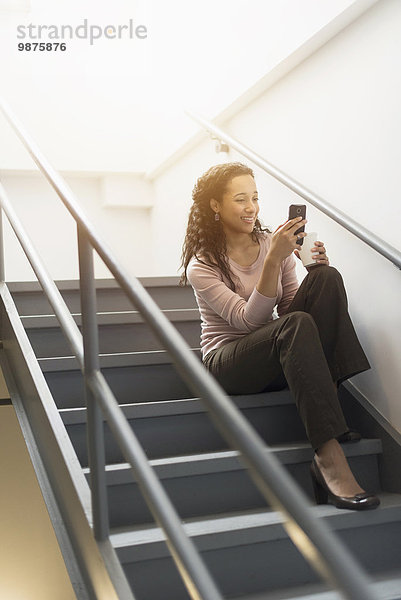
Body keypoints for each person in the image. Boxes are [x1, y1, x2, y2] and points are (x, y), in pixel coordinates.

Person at [180, 161, 380, 511]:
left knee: (325, 278)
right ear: (215, 205)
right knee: (294, 325)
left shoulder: (270, 242)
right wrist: (272, 260)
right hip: (228, 362)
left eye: (254, 198)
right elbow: (247, 322)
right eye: (240, 199)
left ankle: (329, 406)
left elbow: (289, 312)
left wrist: (309, 270)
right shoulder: (202, 264)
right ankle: (328, 457)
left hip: (274, 349)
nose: (251, 208)